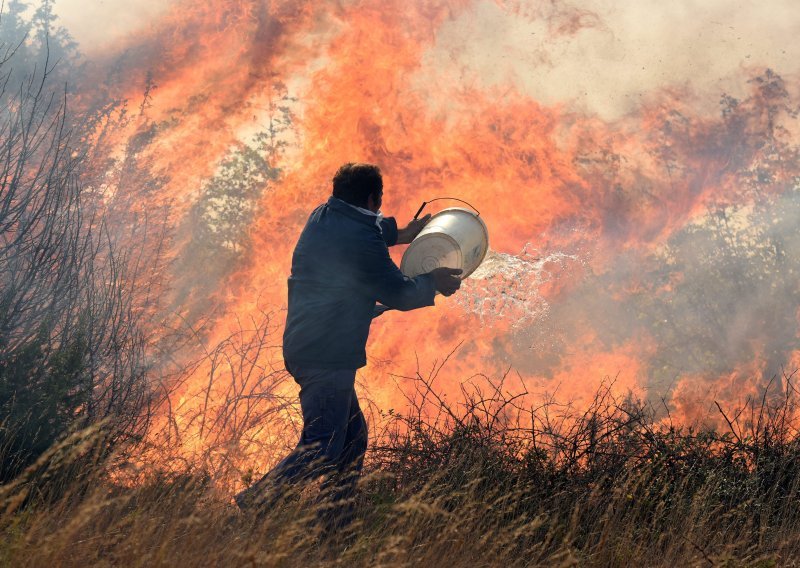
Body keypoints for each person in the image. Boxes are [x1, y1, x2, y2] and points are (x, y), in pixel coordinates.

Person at [235, 162, 461, 529]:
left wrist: (404, 233)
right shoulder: (362, 240)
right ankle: (253, 505)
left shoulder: (324, 215)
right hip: (325, 352)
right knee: (323, 445)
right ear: (374, 198)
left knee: (352, 440)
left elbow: (364, 228)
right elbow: (400, 293)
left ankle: (334, 523)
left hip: (311, 344)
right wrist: (432, 281)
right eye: (379, 203)